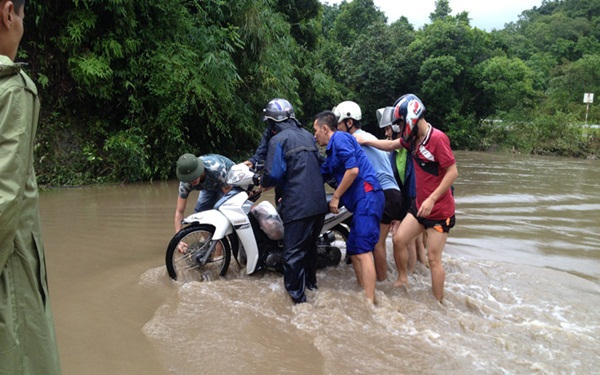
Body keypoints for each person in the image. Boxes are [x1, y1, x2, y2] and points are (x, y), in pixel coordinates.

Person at [0, 0, 62, 373]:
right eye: (22, 15)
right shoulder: (13, 91)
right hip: (9, 269)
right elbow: (5, 200)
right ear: (9, 13)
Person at [357, 94, 457, 302]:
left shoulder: (437, 138)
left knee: (433, 258)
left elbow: (452, 172)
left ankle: (438, 302)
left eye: (400, 123)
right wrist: (367, 141)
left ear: (411, 117)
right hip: (419, 206)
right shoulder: (411, 140)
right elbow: (391, 145)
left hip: (439, 211)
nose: (399, 128)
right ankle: (403, 278)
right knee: (400, 239)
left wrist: (432, 199)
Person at [259, 98, 328, 304]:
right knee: (309, 249)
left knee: (292, 255)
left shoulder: (278, 140)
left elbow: (272, 174)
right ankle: (311, 287)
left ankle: (299, 303)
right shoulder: (308, 136)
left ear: (274, 122)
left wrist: (260, 180)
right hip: (318, 204)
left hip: (298, 206)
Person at [313, 110, 385, 304]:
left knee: (362, 250)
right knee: (353, 250)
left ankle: (370, 303)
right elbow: (320, 173)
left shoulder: (341, 139)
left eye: (316, 130)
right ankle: (364, 293)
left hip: (367, 196)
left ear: (325, 128)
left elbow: (353, 170)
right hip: (361, 200)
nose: (314, 135)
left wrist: (336, 197)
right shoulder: (331, 152)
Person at [333, 101, 403, 282]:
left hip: (383, 193)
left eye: (338, 123)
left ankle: (381, 282)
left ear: (349, 123)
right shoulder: (366, 136)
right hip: (392, 193)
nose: (336, 128)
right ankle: (384, 278)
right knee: (378, 243)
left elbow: (350, 169)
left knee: (377, 244)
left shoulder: (354, 139)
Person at [377, 106, 428, 271]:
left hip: (416, 197)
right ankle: (419, 272)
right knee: (417, 241)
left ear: (398, 126)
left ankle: (410, 275)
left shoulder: (410, 147)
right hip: (411, 197)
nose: (386, 133)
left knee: (410, 240)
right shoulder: (396, 151)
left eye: (387, 129)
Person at [173, 153, 234, 233]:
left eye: (194, 175)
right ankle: (213, 242)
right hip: (208, 187)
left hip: (228, 180)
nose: (193, 180)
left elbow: (228, 194)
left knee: (222, 211)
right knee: (199, 218)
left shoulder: (216, 169)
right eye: (190, 178)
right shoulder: (185, 184)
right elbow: (179, 211)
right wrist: (178, 238)